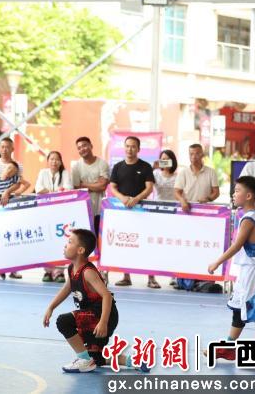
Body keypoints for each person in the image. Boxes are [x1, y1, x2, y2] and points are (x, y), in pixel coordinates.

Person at [43, 229, 150, 373]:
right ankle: (134, 361)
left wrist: (103, 322)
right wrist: (51, 307)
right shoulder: (72, 268)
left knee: (63, 321)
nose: (65, 245)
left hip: (102, 315)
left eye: (70, 242)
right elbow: (66, 288)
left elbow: (107, 296)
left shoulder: (88, 272)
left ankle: (84, 360)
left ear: (80, 250)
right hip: (92, 315)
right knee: (96, 358)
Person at [207, 176, 255, 370]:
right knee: (239, 307)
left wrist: (217, 262)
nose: (234, 194)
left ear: (249, 195)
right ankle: (229, 347)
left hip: (254, 272)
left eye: (237, 191)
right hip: (250, 270)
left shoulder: (249, 219)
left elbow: (236, 246)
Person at [109, 136, 156, 288]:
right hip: (123, 211)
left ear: (138, 149)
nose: (130, 149)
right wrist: (122, 198)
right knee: (126, 244)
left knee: (146, 244)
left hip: (142, 210)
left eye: (133, 146)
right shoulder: (117, 167)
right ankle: (126, 276)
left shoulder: (145, 166)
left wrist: (136, 199)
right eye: (127, 146)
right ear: (124, 147)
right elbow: (112, 187)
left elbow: (149, 188)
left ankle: (151, 278)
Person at [0, 137, 24, 279]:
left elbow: (18, 183)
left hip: (11, 202)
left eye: (7, 147)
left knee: (12, 235)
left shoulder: (18, 165)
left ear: (12, 149)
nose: (4, 149)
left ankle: (13, 269)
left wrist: (7, 192)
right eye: (2, 147)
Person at [36, 151, 73, 283]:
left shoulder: (65, 173)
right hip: (45, 212)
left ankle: (59, 272)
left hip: (61, 213)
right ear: (48, 161)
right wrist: (55, 191)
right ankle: (47, 271)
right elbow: (38, 188)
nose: (54, 162)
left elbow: (68, 189)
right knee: (46, 241)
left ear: (61, 161)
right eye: (52, 159)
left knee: (60, 242)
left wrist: (50, 192)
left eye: (57, 159)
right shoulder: (42, 173)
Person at [71, 137, 109, 240]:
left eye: (84, 145)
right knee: (84, 240)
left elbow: (102, 186)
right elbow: (76, 188)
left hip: (100, 209)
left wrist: (83, 184)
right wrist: (95, 185)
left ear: (91, 146)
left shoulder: (102, 163)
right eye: (79, 148)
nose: (82, 149)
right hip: (83, 209)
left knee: (98, 239)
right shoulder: (76, 167)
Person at [174, 144, 219, 213]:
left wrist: (208, 199)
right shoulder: (183, 173)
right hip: (187, 209)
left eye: (197, 154)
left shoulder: (211, 172)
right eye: (191, 154)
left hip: (206, 211)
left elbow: (216, 192)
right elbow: (176, 192)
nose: (194, 157)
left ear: (202, 155)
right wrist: (182, 200)